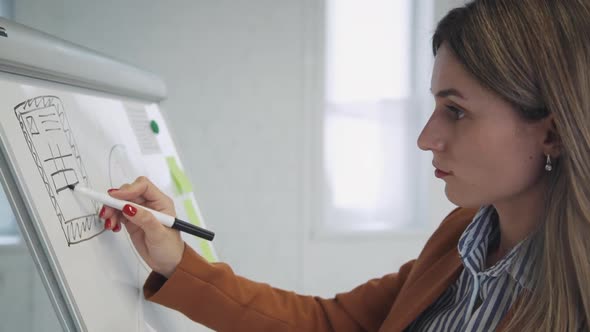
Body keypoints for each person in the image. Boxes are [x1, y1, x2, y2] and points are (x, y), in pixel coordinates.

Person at [100, 0, 590, 330]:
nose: (425, 138)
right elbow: (330, 324)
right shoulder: (461, 239)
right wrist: (176, 262)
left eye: (456, 111)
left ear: (550, 131)